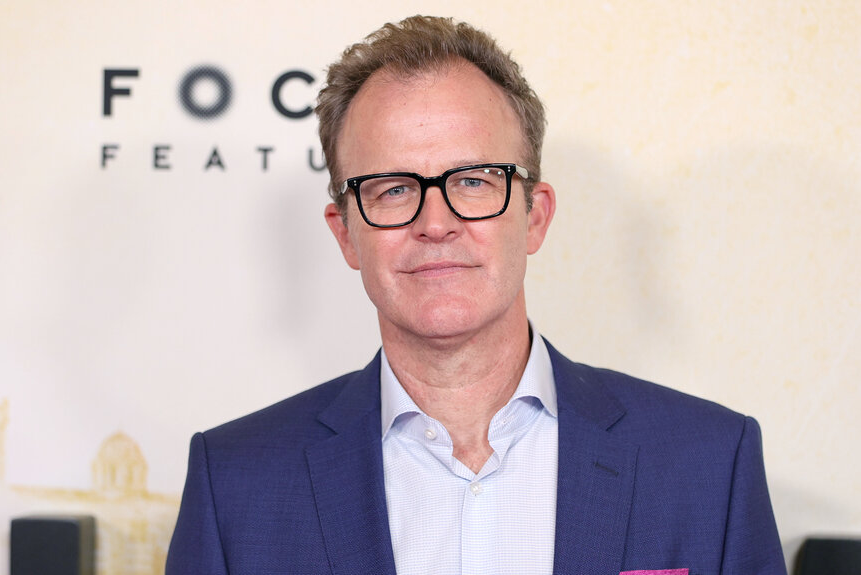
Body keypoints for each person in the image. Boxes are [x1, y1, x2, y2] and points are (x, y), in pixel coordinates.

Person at [166, 15, 786, 575]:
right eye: (392, 190)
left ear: (535, 216)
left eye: (473, 180)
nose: (435, 223)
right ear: (346, 234)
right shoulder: (236, 484)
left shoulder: (709, 465)